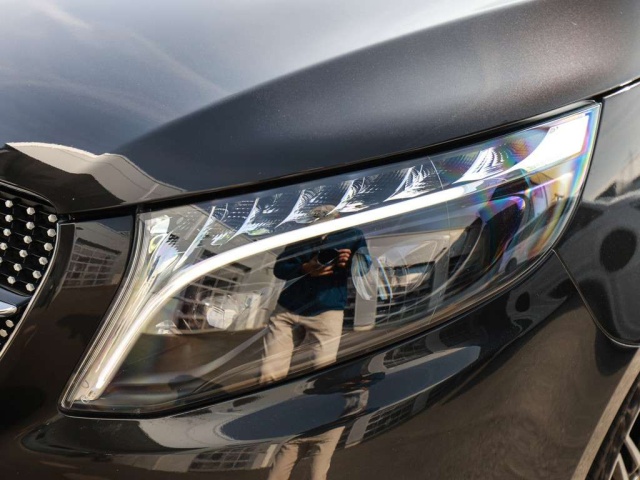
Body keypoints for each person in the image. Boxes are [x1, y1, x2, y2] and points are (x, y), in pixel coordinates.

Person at [259, 206, 370, 385]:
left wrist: (348, 262)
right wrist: (305, 268)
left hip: (327, 310)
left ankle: (319, 395)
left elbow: (364, 268)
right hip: (288, 308)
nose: (319, 227)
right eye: (316, 222)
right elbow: (280, 268)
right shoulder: (302, 235)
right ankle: (266, 397)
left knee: (323, 370)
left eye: (325, 221)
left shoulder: (353, 234)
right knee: (270, 371)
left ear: (337, 217)